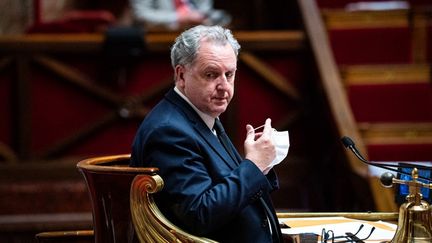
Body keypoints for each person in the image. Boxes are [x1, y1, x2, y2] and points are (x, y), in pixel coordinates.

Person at [130, 25, 283, 243]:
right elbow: (200, 214)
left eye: (229, 74)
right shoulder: (168, 131)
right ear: (181, 75)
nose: (224, 86)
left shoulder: (202, 115)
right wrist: (254, 166)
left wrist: (262, 165)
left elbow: (225, 187)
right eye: (211, 75)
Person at [129, 0, 231, 31]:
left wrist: (200, 17)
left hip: (200, 32)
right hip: (159, 36)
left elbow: (205, 10)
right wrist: (179, 17)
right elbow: (140, 14)